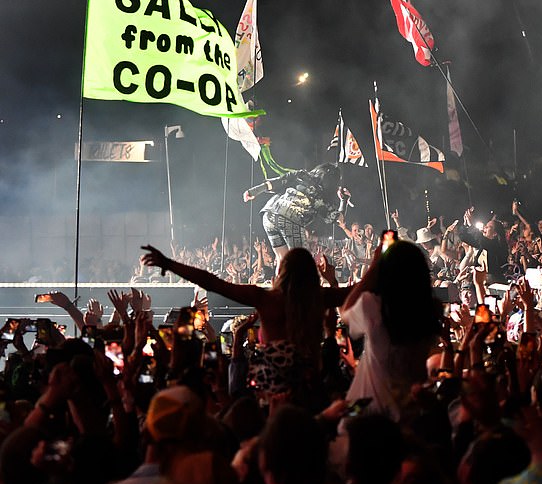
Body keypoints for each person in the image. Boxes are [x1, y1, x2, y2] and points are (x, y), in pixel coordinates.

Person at [139, 244, 350, 401]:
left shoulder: (266, 299)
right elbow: (358, 289)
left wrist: (168, 263)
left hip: (271, 389)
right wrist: (333, 280)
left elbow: (213, 283)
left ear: (282, 272)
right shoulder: (321, 298)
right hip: (310, 387)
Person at [338, 236, 444, 419]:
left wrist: (374, 265)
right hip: (407, 415)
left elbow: (345, 312)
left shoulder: (374, 307)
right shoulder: (431, 310)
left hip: (367, 415)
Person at [243, 163, 347, 271]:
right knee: (300, 260)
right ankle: (298, 286)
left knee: (282, 258)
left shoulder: (301, 175)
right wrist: (344, 200)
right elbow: (338, 219)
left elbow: (277, 182)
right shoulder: (320, 196)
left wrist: (254, 191)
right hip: (290, 219)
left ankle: (280, 285)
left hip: (269, 215)